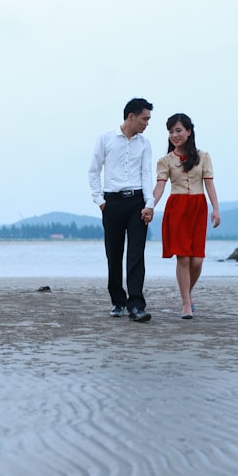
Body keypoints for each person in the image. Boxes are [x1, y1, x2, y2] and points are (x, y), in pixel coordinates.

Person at [88, 97, 156, 322]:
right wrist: (100, 200)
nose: (147, 123)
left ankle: (136, 305)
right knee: (114, 254)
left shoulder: (145, 144)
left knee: (136, 254)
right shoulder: (105, 138)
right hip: (112, 202)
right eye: (144, 118)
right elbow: (94, 170)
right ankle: (118, 300)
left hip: (137, 202)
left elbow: (146, 175)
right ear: (131, 116)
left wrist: (149, 204)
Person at [151, 113, 220, 319]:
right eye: (171, 131)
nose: (175, 135)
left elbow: (209, 184)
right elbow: (160, 187)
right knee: (183, 257)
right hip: (177, 207)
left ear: (189, 132)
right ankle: (186, 304)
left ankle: (187, 293)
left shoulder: (203, 156)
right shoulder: (165, 160)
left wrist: (216, 209)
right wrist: (150, 205)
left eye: (178, 130)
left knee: (197, 260)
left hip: (198, 207)